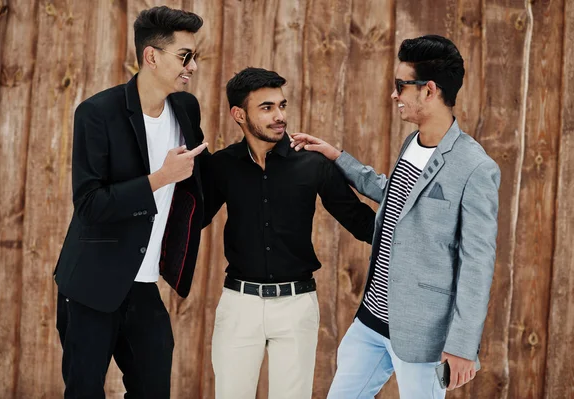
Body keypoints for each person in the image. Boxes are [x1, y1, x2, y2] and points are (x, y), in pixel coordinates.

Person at [291, 35, 500, 398]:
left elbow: (478, 263)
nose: (394, 95)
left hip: (422, 333)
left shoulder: (475, 167)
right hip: (371, 320)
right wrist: (336, 156)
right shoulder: (413, 142)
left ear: (429, 90)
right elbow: (396, 195)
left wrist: (463, 346)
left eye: (400, 86)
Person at [53, 6, 208, 398]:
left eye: (195, 56)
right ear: (151, 56)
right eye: (184, 56)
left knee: (153, 388)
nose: (192, 66)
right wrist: (159, 179)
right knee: (85, 391)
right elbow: (89, 204)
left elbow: (199, 178)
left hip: (144, 283)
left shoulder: (186, 108)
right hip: (91, 284)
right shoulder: (97, 113)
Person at [202, 67, 376, 399]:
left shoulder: (312, 163)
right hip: (239, 305)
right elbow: (190, 221)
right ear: (239, 114)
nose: (279, 115)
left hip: (297, 306)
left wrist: (413, 237)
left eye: (281, 105)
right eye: (266, 107)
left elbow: (360, 221)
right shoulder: (222, 165)